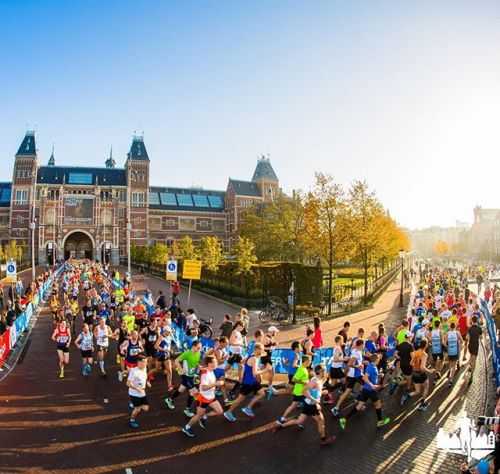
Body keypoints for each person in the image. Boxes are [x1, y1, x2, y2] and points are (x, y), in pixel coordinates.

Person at [274, 365, 335, 446]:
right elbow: (304, 391)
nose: (326, 372)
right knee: (321, 421)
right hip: (311, 405)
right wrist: (315, 400)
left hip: (308, 404)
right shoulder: (314, 381)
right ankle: (323, 439)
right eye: (324, 370)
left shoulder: (319, 380)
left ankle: (281, 426)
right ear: (320, 372)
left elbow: (316, 390)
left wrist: (322, 392)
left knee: (299, 421)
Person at [338, 354, 390, 430]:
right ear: (376, 360)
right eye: (379, 359)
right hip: (370, 390)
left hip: (365, 390)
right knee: (378, 404)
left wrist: (379, 375)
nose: (379, 360)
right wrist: (372, 385)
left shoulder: (371, 366)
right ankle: (380, 421)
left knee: (359, 406)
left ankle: (344, 419)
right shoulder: (372, 367)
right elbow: (365, 378)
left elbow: (369, 376)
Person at [223, 343, 268, 421]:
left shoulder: (251, 355)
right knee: (240, 399)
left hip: (253, 381)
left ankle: (248, 407)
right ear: (257, 349)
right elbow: (255, 373)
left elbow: (243, 363)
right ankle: (228, 412)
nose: (262, 351)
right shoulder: (254, 359)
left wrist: (246, 371)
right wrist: (265, 370)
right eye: (261, 349)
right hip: (248, 383)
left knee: (262, 393)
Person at [182, 355, 224, 437]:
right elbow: (204, 388)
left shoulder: (211, 370)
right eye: (215, 362)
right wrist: (215, 384)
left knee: (220, 411)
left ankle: (205, 416)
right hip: (203, 399)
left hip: (211, 397)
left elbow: (202, 368)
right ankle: (187, 427)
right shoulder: (205, 374)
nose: (217, 363)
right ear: (209, 364)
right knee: (198, 415)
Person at [164, 340, 202, 417]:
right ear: (193, 347)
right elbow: (176, 360)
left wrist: (199, 366)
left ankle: (169, 400)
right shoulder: (187, 353)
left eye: (200, 348)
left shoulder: (198, 353)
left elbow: (196, 363)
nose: (199, 349)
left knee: (181, 389)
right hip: (185, 375)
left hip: (191, 375)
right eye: (198, 348)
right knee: (194, 392)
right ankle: (187, 409)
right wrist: (180, 369)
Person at [277, 355, 311, 424]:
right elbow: (294, 379)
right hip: (301, 393)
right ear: (306, 361)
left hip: (299, 391)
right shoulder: (302, 370)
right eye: (309, 361)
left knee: (293, 406)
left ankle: (283, 418)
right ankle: (300, 421)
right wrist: (303, 382)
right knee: (308, 406)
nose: (310, 362)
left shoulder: (302, 368)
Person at [401, 339, 434, 411]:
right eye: (427, 343)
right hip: (421, 374)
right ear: (425, 345)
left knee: (417, 391)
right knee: (426, 387)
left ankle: (407, 395)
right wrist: (430, 371)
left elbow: (411, 363)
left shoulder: (415, 352)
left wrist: (415, 366)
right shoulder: (424, 354)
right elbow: (422, 367)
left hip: (414, 373)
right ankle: (422, 405)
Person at [127, 355, 150, 429]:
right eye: (144, 362)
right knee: (138, 409)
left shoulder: (145, 368)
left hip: (142, 392)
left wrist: (147, 382)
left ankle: (132, 403)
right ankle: (132, 420)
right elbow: (128, 383)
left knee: (146, 408)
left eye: (146, 362)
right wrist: (137, 388)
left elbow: (144, 377)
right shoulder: (134, 372)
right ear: (138, 362)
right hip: (134, 393)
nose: (145, 364)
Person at [445, 322, 463, 387]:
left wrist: (448, 347)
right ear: (455, 326)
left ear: (450, 327)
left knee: (450, 365)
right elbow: (462, 341)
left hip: (450, 351)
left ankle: (449, 372)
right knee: (454, 366)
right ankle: (451, 380)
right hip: (455, 352)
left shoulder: (447, 333)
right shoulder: (457, 333)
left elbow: (445, 343)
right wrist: (458, 343)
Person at [465, 315, 483, 385]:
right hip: (476, 345)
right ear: (477, 320)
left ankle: (470, 365)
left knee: (471, 356)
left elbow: (467, 337)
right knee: (474, 359)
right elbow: (481, 338)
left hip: (470, 345)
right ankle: (472, 375)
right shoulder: (479, 328)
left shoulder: (469, 328)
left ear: (472, 321)